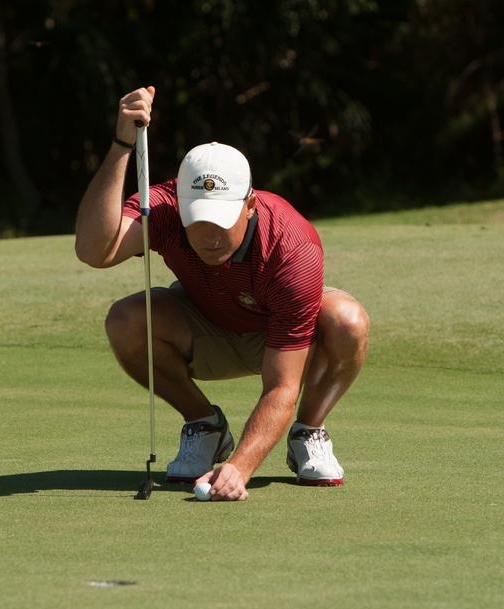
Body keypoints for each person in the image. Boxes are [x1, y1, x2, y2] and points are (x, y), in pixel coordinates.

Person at [75, 86, 369, 501]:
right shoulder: (163, 208)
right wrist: (123, 142)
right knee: (124, 320)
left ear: (250, 204)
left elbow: (282, 386)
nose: (208, 236)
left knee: (347, 321)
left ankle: (308, 431)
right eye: (197, 220)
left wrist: (240, 468)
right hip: (206, 328)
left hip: (279, 339)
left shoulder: (291, 246)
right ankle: (205, 425)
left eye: (221, 220)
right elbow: (93, 250)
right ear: (180, 202)